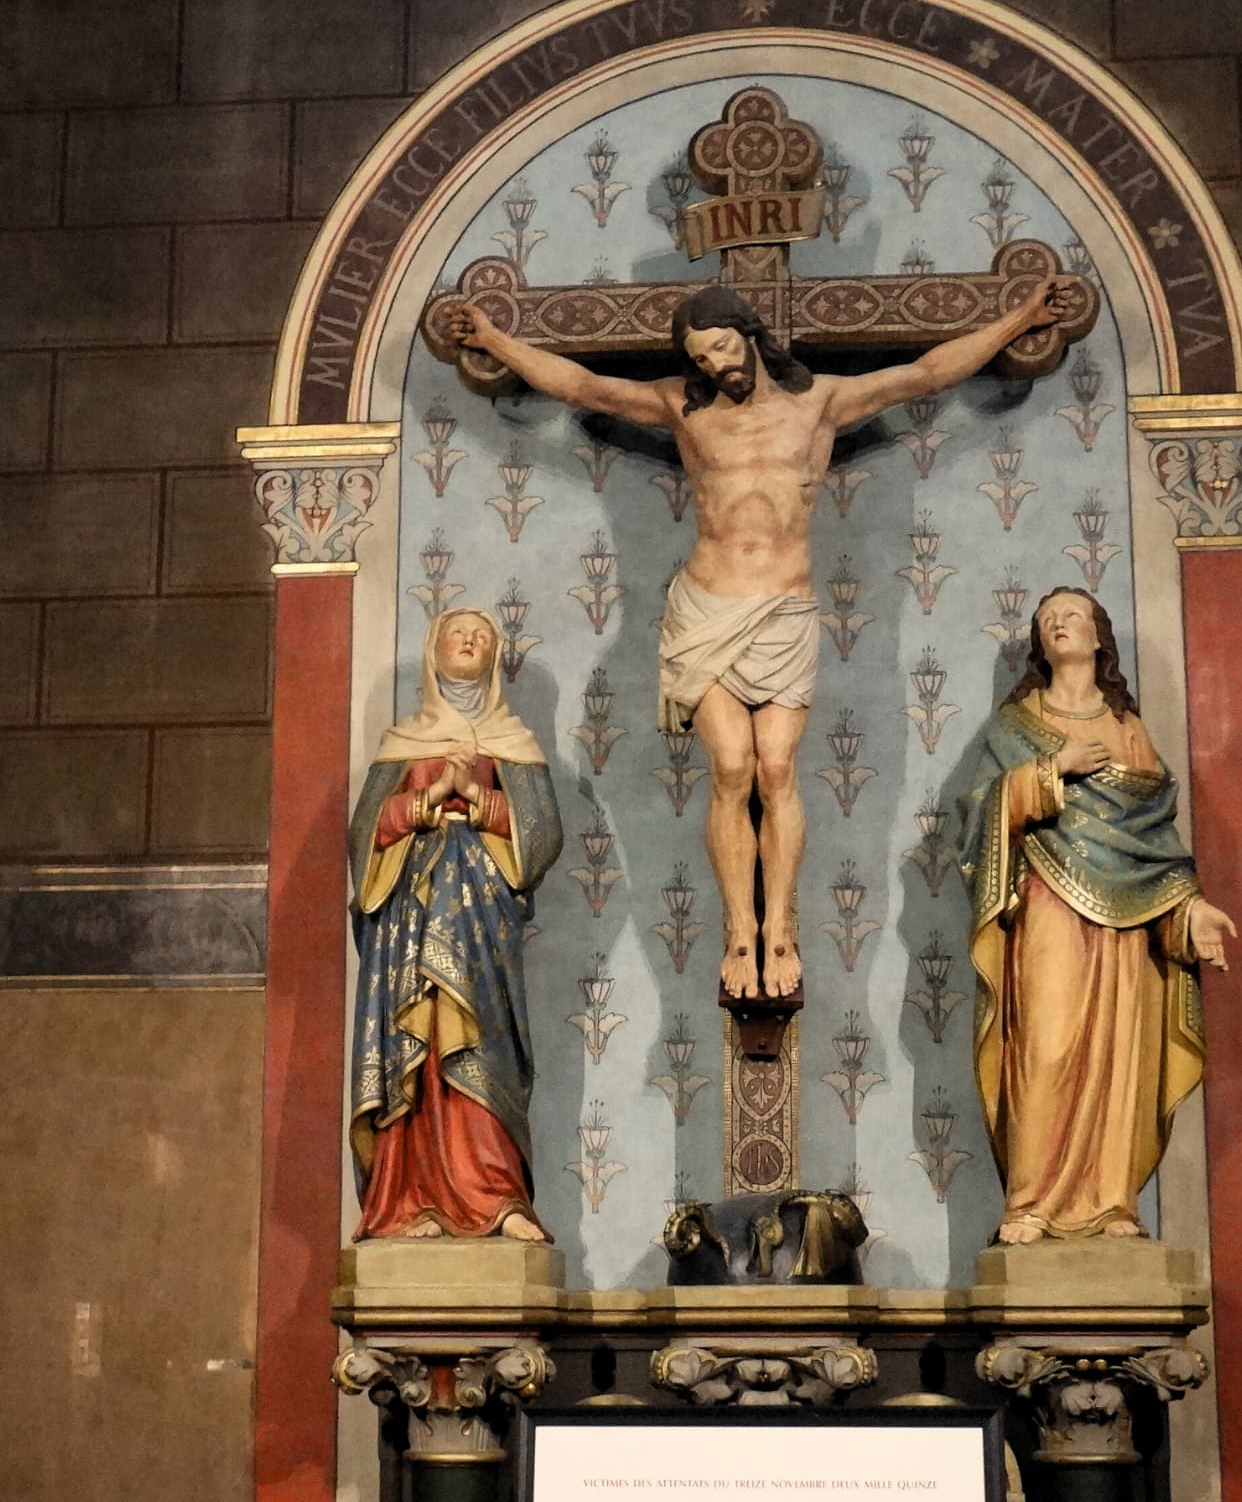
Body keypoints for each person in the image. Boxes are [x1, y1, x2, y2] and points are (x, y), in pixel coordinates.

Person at [449, 278, 1064, 1000]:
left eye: (717, 347)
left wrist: (1017, 318)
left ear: (746, 332)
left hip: (783, 612)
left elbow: (926, 374)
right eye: (698, 358)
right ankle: (742, 931)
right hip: (706, 607)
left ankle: (782, 930)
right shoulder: (684, 409)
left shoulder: (820, 402)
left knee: (777, 769)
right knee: (733, 766)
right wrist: (492, 339)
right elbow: (586, 387)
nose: (712, 366)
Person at [956, 587, 1236, 1245]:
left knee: (1119, 1058)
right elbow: (976, 818)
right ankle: (1027, 1203)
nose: (1059, 622)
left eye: (1072, 614)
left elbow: (1150, 841)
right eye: (1047, 618)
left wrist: (1188, 908)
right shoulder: (1013, 726)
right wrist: (1052, 769)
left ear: (1097, 637)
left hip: (1126, 925)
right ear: (1038, 642)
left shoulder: (1126, 729)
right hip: (1048, 906)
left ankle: (1113, 1203)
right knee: (1046, 1049)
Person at [348, 608, 563, 1241]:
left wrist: (474, 797)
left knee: (478, 1044)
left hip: (480, 923)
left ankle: (498, 1200)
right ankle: (414, 1203)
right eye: (457, 634)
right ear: (433, 649)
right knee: (415, 1054)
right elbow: (363, 838)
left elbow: (543, 836)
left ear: (495, 657)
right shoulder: (401, 741)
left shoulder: (514, 742)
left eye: (481, 638)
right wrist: (429, 797)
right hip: (406, 924)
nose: (468, 643)